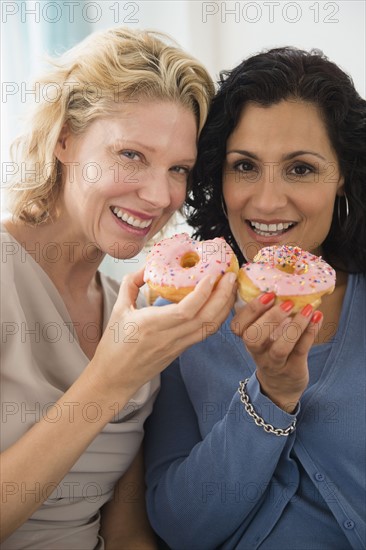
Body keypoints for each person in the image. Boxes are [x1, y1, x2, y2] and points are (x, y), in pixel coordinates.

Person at [0, 27, 238, 549]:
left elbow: (126, 528)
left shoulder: (132, 310)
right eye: (131, 154)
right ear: (63, 138)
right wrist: (110, 379)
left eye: (179, 169)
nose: (159, 195)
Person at [144, 47, 366, 549]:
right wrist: (272, 397)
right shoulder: (177, 322)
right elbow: (179, 527)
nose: (266, 201)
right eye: (244, 166)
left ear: (343, 176)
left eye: (301, 169)